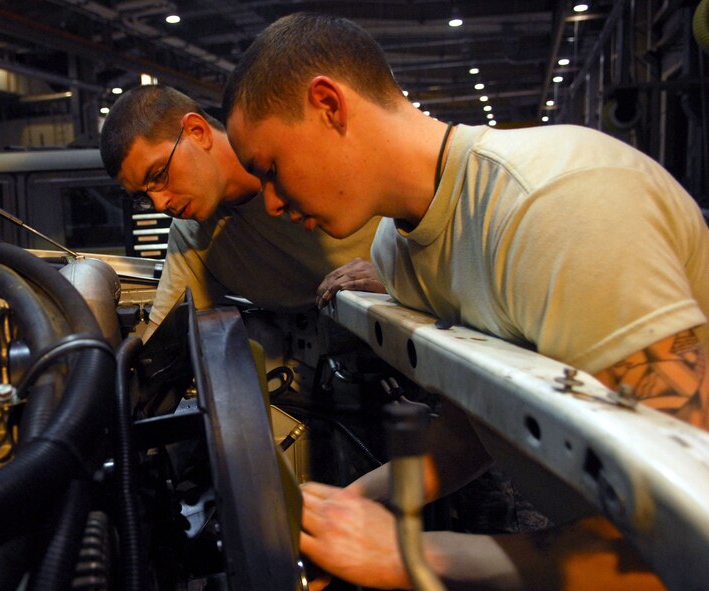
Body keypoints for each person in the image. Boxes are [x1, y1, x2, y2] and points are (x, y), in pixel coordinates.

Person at [223, 12, 709, 591]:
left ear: (329, 105)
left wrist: (415, 556)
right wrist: (352, 502)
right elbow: (477, 428)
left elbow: (686, 530)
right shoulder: (396, 251)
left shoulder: (555, 209)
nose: (271, 204)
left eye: (271, 170)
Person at [99, 85, 380, 340]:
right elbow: (164, 340)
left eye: (159, 175)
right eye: (144, 197)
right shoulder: (194, 234)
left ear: (197, 131)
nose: (160, 204)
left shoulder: (317, 153)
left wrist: (395, 280)